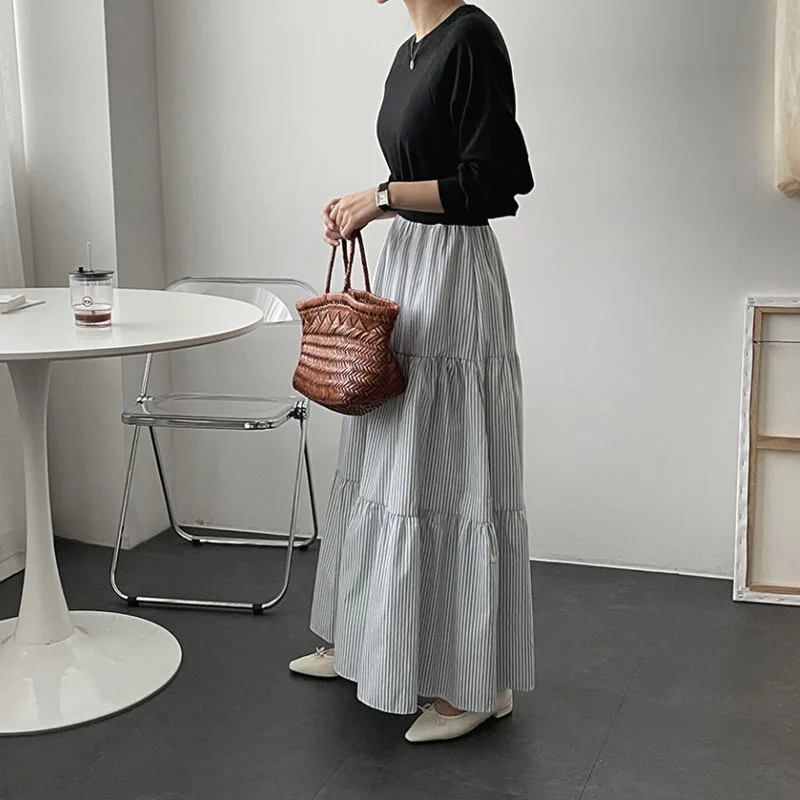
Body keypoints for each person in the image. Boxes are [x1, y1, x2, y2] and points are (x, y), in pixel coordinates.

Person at [290, 0, 535, 744]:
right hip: (410, 266)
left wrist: (381, 197)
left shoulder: (471, 38)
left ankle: (475, 686)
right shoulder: (412, 49)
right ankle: (365, 641)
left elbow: (494, 184)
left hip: (454, 279)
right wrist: (364, 206)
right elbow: (423, 172)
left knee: (452, 475)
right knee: (386, 466)